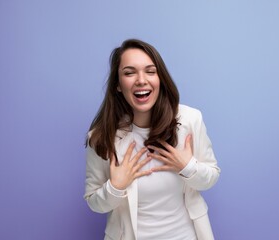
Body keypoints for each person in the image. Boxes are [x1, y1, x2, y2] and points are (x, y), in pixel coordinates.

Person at [84, 39, 220, 240]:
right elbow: (94, 202)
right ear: (118, 85)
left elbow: (211, 177)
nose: (141, 80)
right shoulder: (102, 137)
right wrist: (115, 186)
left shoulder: (190, 120)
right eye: (129, 73)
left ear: (160, 79)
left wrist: (187, 166)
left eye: (150, 71)